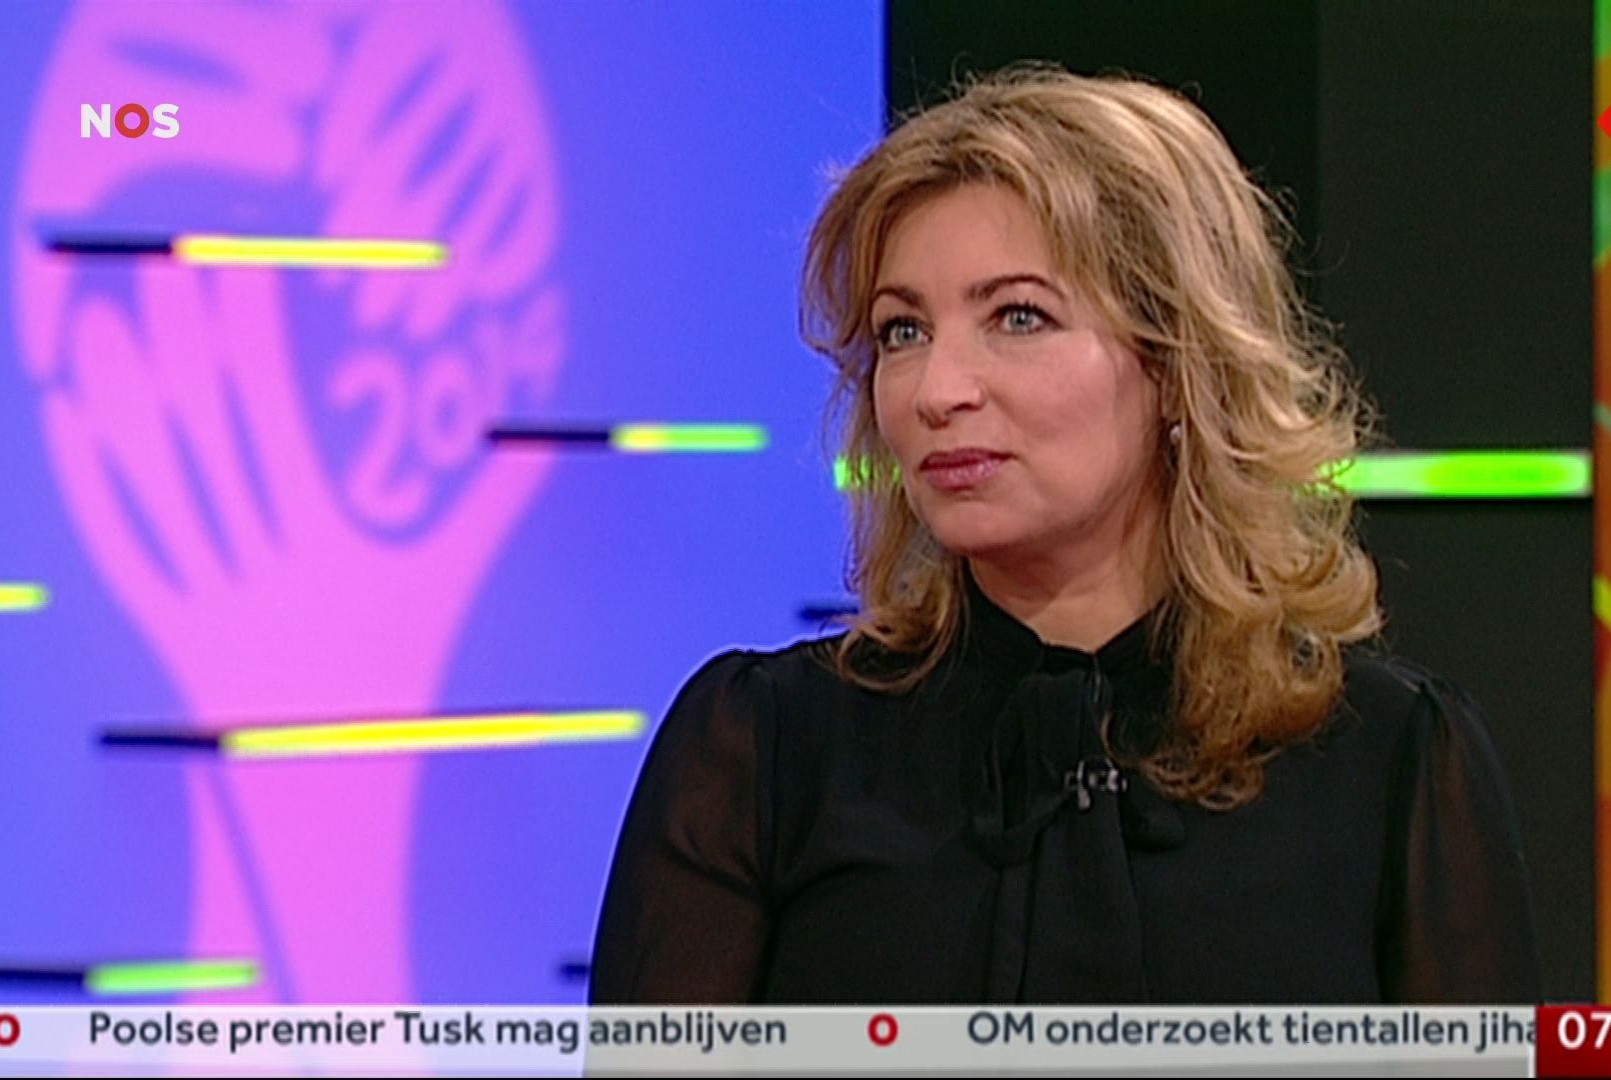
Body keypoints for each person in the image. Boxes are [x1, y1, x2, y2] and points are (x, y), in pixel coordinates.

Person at [590, 65, 1540, 1005]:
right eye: (903, 331)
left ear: (1178, 364)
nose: (937, 392)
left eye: (1018, 317)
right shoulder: (762, 757)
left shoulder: (1391, 766)